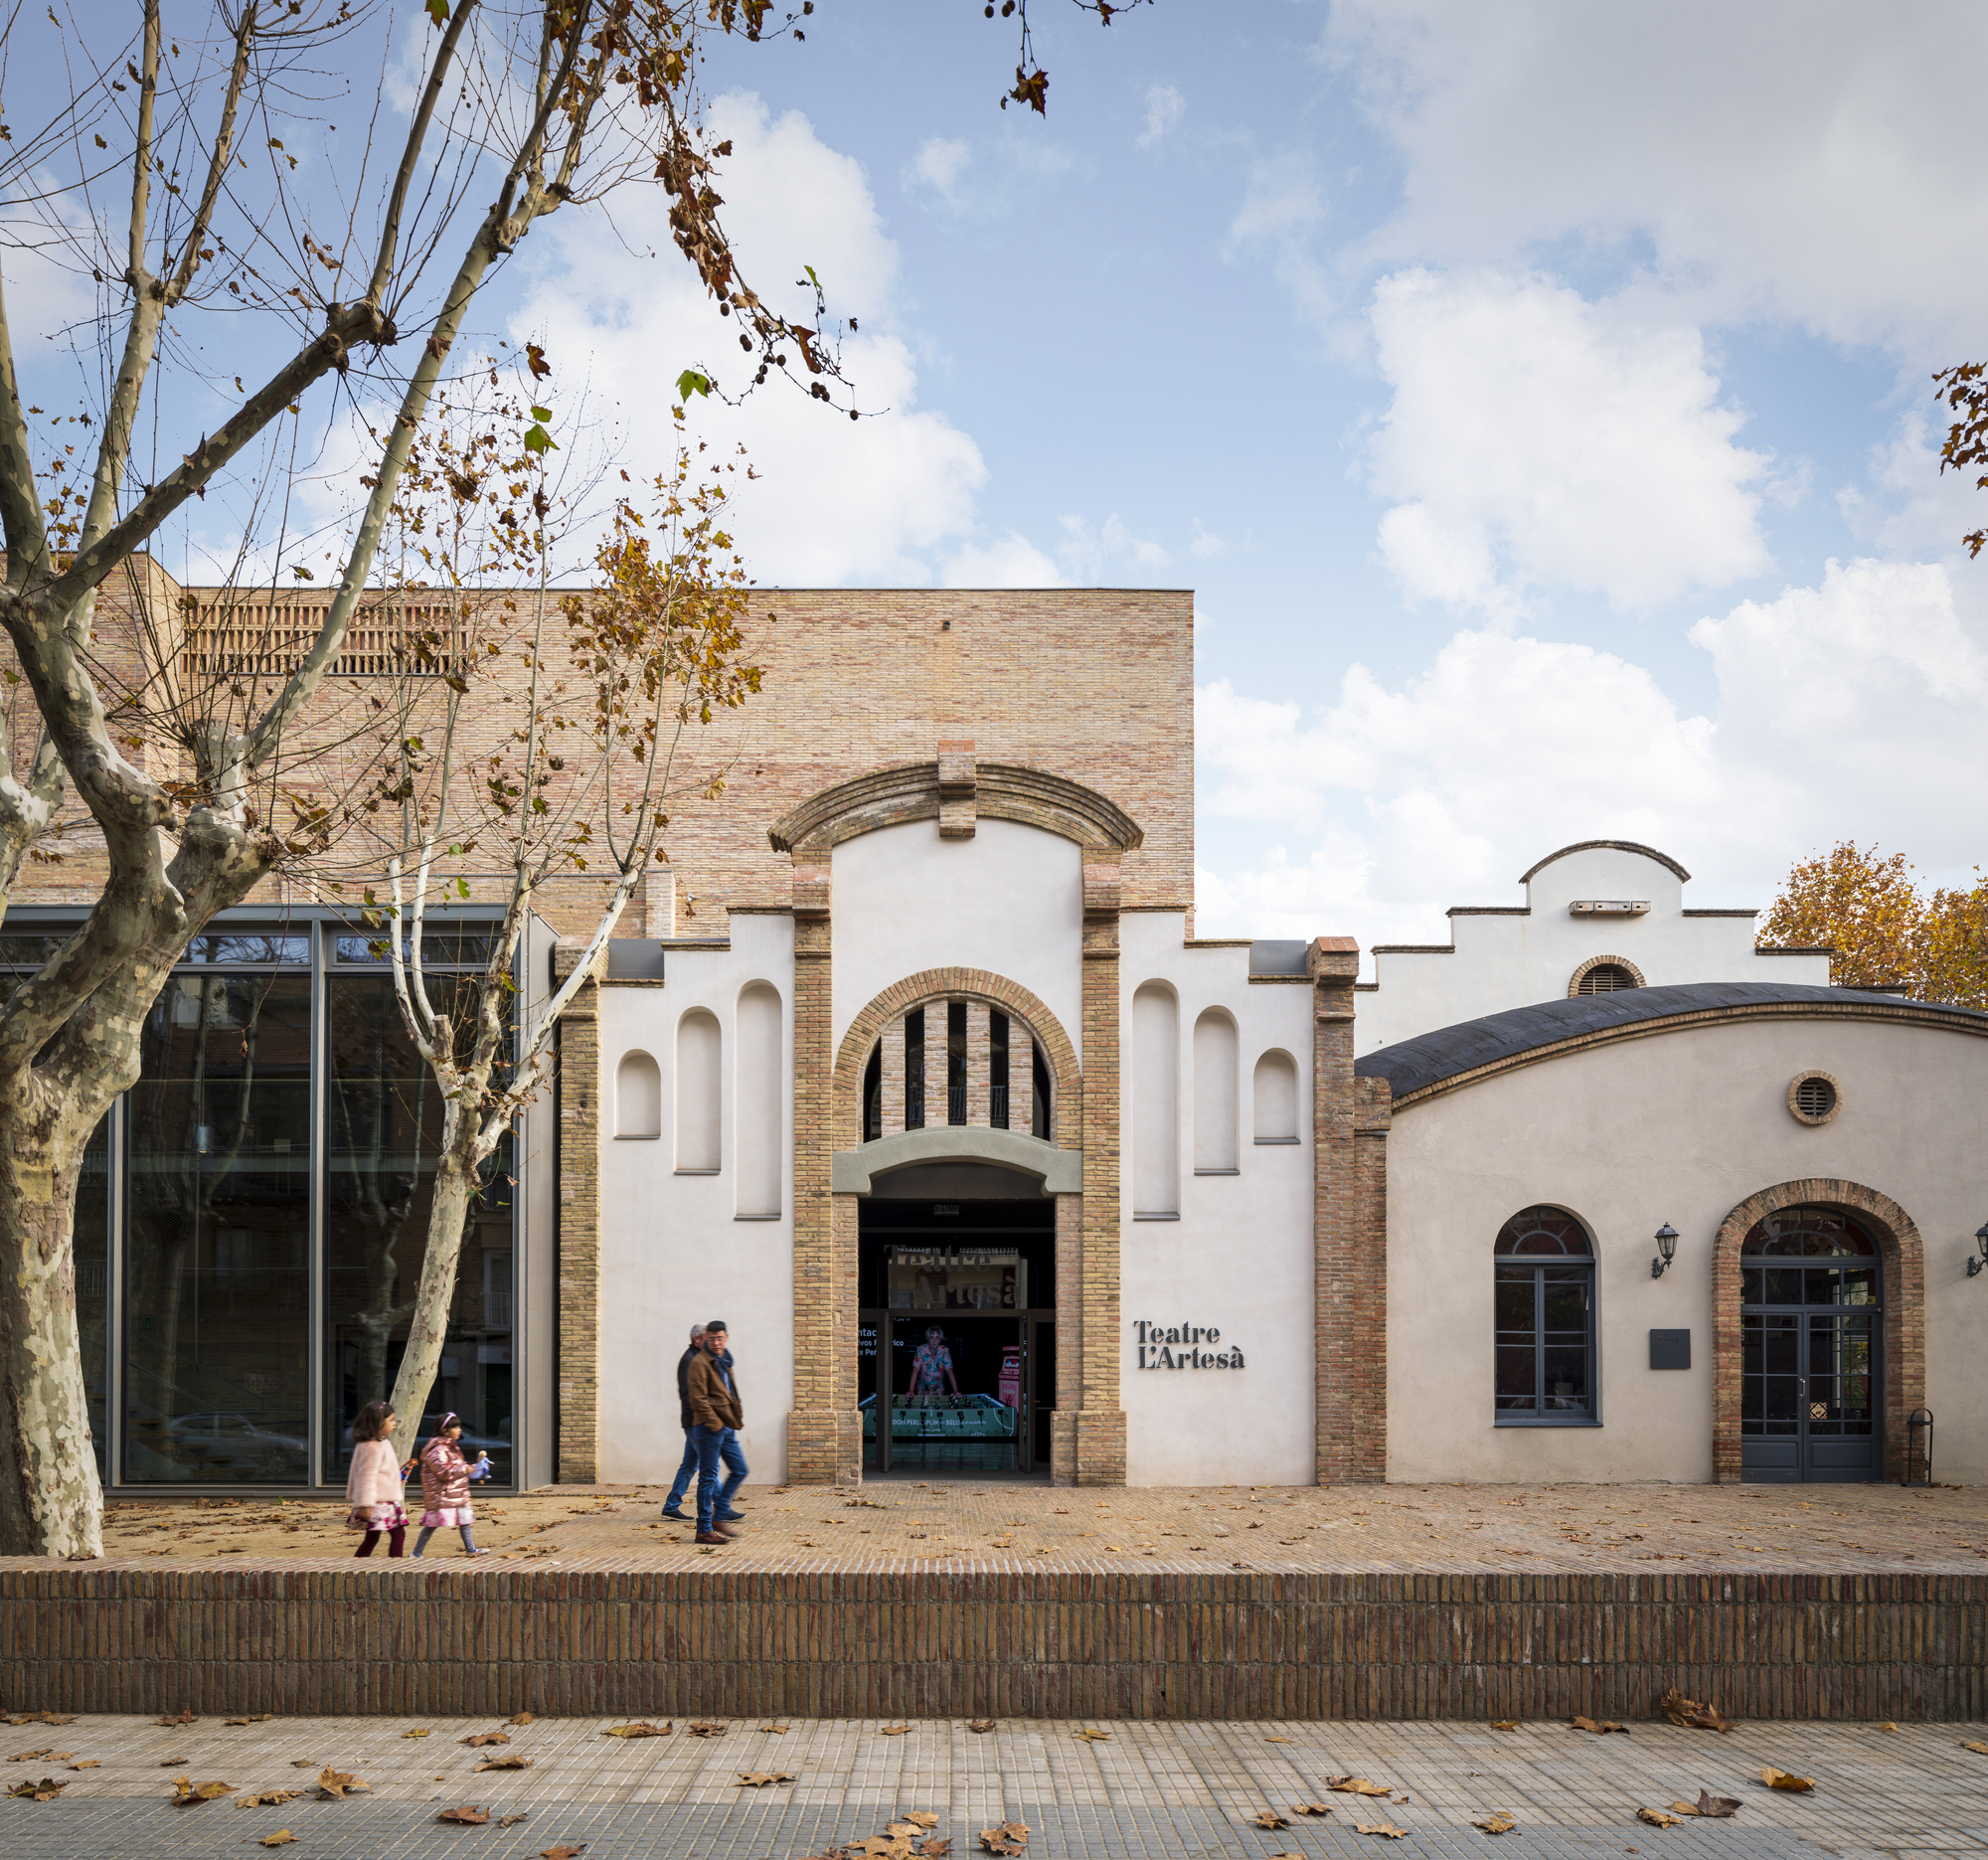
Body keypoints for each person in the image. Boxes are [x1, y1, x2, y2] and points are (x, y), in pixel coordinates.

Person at [684, 1320, 747, 1546]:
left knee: (740, 1469)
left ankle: (718, 1515)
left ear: (726, 1338)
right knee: (708, 1477)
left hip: (726, 1426)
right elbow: (698, 1400)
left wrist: (730, 1420)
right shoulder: (699, 1363)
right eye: (712, 1339)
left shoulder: (724, 1360)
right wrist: (715, 1424)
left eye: (720, 1338)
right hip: (709, 1428)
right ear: (706, 1339)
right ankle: (703, 1530)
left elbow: (729, 1392)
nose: (717, 1342)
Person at [411, 1413, 487, 1558]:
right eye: (456, 1427)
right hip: (442, 1496)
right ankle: (416, 1552)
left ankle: (470, 1548)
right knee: (432, 1524)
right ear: (445, 1431)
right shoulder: (437, 1450)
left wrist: (477, 1465)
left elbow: (459, 1468)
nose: (460, 1430)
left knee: (464, 1520)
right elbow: (444, 1473)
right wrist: (465, 1469)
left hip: (455, 1494)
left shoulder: (451, 1447)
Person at [345, 1401, 409, 1558]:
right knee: (398, 1535)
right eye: (391, 1419)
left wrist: (395, 1481)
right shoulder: (371, 1446)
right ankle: (395, 1569)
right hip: (377, 1502)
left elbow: (382, 1472)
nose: (395, 1423)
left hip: (382, 1500)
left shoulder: (380, 1442)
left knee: (372, 1538)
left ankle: (357, 1567)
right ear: (378, 1422)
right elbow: (366, 1477)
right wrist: (365, 1504)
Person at [659, 1323, 706, 1522]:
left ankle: (671, 1506)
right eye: (708, 1338)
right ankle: (723, 1507)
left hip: (693, 1422)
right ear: (697, 1339)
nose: (713, 1342)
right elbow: (689, 1395)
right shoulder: (690, 1360)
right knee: (710, 1466)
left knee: (689, 1466)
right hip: (695, 1422)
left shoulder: (697, 1358)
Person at [909, 1325, 959, 1407]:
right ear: (928, 1339)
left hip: (939, 1391)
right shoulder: (921, 1350)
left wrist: (956, 1391)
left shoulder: (945, 1351)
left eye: (937, 1337)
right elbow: (915, 1371)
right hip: (922, 1391)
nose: (934, 1340)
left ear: (940, 1340)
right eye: (932, 1337)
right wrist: (911, 1390)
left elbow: (950, 1372)